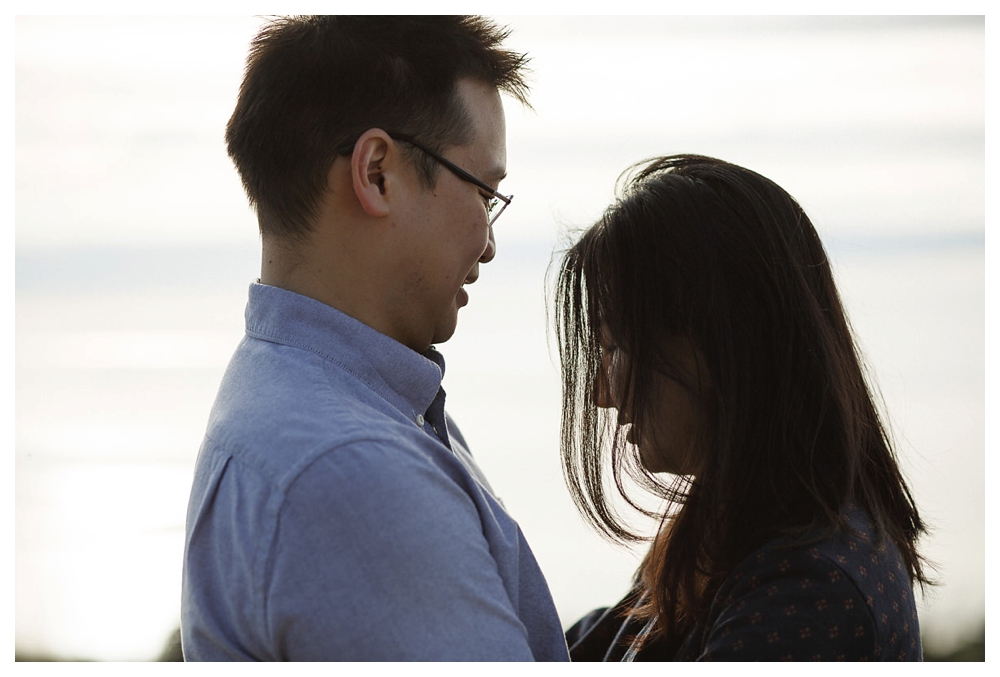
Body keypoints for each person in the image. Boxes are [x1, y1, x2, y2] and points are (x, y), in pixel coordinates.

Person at [181, 16, 569, 661]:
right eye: (484, 191)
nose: (491, 243)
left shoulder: (307, 398)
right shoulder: (353, 467)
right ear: (379, 172)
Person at [553, 155, 930, 661]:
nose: (601, 392)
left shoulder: (811, 590)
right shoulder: (727, 543)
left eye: (617, 345)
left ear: (719, 345)